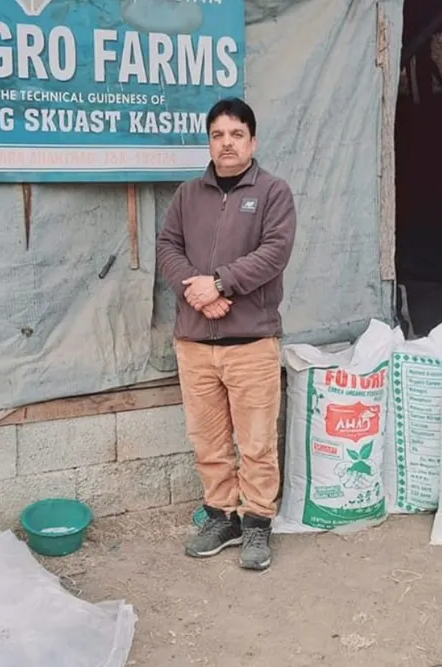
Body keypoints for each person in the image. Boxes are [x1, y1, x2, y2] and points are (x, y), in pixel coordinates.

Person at [156, 97, 297, 571]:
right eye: (218, 135)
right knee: (208, 442)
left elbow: (274, 252)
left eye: (236, 134)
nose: (227, 143)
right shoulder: (186, 196)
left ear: (252, 141)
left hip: (251, 342)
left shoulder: (273, 193)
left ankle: (257, 524)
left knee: (256, 443)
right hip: (195, 343)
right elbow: (168, 247)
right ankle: (222, 518)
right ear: (210, 142)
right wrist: (196, 293)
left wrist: (218, 283)